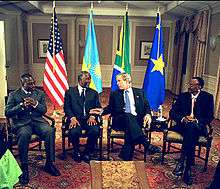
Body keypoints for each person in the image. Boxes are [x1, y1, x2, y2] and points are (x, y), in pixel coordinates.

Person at [5, 73, 61, 185]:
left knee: (50, 131)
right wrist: (21, 105)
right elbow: (8, 112)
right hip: (22, 123)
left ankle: (49, 163)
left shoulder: (39, 94)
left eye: (33, 82)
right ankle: (24, 167)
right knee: (24, 135)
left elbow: (44, 110)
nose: (33, 85)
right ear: (23, 83)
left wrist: (35, 104)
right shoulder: (14, 95)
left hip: (37, 122)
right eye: (30, 83)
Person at [170, 76, 214, 185]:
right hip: (183, 126)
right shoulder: (183, 96)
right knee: (190, 128)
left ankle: (182, 161)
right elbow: (172, 113)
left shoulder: (207, 97)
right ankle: (188, 168)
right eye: (189, 84)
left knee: (192, 126)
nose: (189, 86)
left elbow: (209, 116)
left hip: (198, 127)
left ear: (199, 86)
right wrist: (183, 118)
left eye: (192, 85)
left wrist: (196, 120)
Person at [102, 73, 151, 160]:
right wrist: (100, 111)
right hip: (120, 120)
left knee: (130, 128)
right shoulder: (115, 94)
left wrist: (148, 114)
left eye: (119, 81)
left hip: (136, 122)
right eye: (117, 81)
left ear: (127, 81)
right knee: (128, 116)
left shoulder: (140, 92)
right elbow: (110, 108)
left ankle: (125, 156)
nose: (117, 83)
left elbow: (147, 106)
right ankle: (145, 142)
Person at [64, 71, 102, 163]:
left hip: (89, 119)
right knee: (74, 131)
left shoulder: (94, 93)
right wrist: (72, 118)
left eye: (90, 79)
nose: (89, 81)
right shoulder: (70, 92)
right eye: (87, 79)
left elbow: (98, 107)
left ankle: (87, 152)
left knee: (95, 131)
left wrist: (93, 116)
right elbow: (67, 107)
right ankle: (76, 151)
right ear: (80, 80)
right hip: (76, 119)